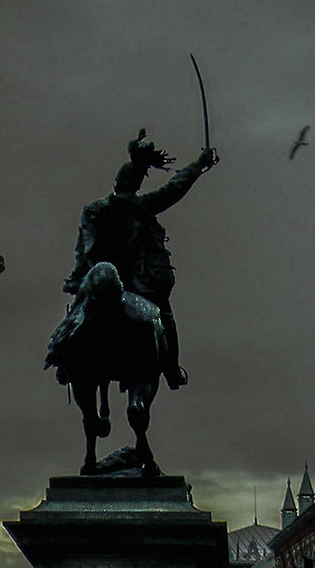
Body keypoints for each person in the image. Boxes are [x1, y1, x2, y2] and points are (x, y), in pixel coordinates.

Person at [63, 129, 218, 390]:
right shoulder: (142, 206)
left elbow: (85, 249)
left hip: (100, 281)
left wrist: (84, 276)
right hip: (137, 284)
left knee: (74, 322)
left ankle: (63, 360)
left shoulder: (93, 211)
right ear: (135, 186)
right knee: (163, 317)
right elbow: (175, 187)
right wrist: (200, 164)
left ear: (116, 183)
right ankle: (171, 369)